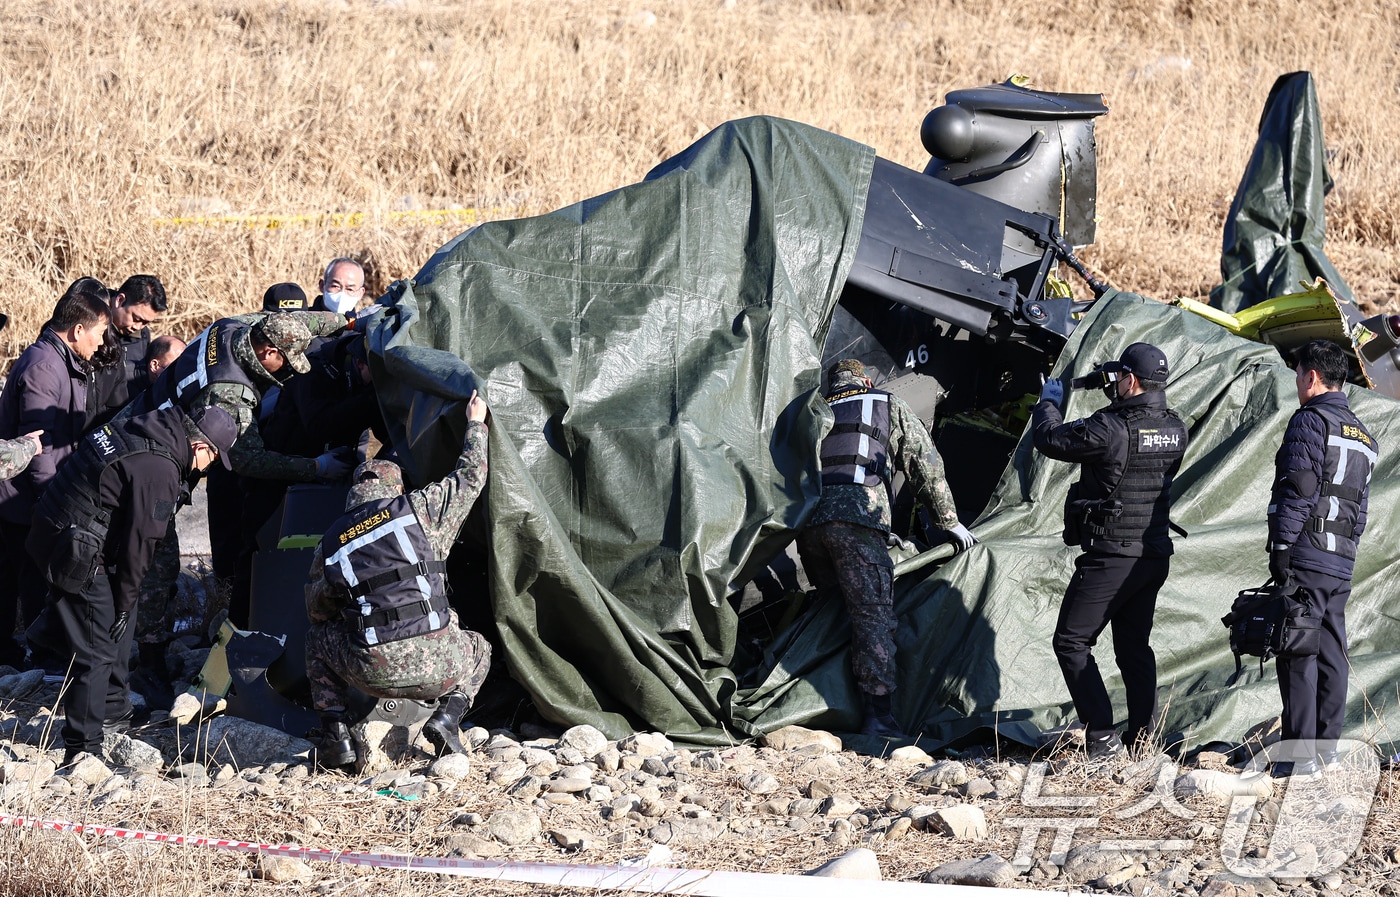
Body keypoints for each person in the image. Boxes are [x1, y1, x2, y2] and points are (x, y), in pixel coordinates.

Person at [25, 404, 236, 764]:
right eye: (214, 458)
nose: (210, 467)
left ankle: (112, 711)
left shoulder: (152, 425)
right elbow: (141, 546)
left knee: (121, 616)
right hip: (75, 546)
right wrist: (122, 603)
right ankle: (83, 749)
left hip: (61, 527)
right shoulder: (161, 469)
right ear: (202, 448)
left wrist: (126, 602)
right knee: (97, 646)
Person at [304, 392, 492, 769]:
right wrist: (475, 423)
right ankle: (447, 716)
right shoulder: (419, 511)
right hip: (441, 667)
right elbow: (471, 476)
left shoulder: (331, 543)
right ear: (396, 489)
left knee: (317, 642)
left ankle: (336, 736)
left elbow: (317, 610)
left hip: (370, 671)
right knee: (480, 647)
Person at [797, 359, 976, 739]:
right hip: (857, 521)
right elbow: (923, 461)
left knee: (829, 612)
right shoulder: (884, 401)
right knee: (872, 619)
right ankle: (879, 719)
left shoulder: (816, 412)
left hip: (809, 525)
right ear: (863, 379)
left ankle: (814, 700)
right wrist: (948, 521)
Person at [1032, 342, 1188, 758]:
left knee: (1071, 641)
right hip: (1153, 555)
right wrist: (1114, 393)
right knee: (1133, 648)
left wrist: (1049, 402)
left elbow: (1051, 440)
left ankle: (1101, 737)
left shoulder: (1110, 427)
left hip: (1113, 556)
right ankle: (1143, 741)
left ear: (1131, 380)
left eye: (1121, 377)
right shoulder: (1176, 426)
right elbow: (1135, 438)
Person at [1266, 339, 1376, 777]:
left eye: (1298, 375)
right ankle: (1327, 752)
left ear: (1312, 377)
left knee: (1298, 652)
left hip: (1306, 555)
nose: (1296, 383)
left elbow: (1299, 489)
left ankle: (1298, 759)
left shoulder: (1310, 421)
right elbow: (1360, 510)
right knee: (1332, 652)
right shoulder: (1365, 436)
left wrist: (1280, 547)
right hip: (1341, 562)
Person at [0, 289, 111, 667]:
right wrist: (52, 499)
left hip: (32, 497)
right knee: (28, 579)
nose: (101, 344)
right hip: (23, 500)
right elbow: (37, 445)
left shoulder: (61, 361)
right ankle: (37, 658)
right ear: (78, 329)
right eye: (99, 333)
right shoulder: (45, 366)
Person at [90, 275, 168, 427]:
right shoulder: (90, 320)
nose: (138, 327)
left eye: (146, 323)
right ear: (119, 300)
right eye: (137, 319)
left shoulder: (142, 335)